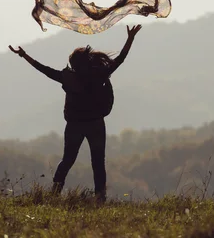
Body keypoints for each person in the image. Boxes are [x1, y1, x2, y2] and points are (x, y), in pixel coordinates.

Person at [9, 24, 142, 202]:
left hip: (74, 125)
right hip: (96, 124)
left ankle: (55, 193)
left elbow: (45, 70)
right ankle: (100, 197)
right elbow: (120, 59)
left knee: (68, 160)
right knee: (98, 162)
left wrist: (24, 55)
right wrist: (130, 38)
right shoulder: (100, 74)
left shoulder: (68, 78)